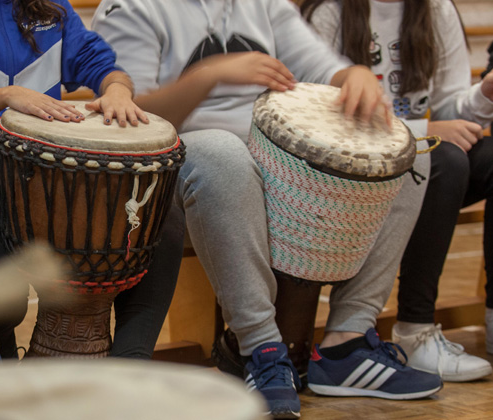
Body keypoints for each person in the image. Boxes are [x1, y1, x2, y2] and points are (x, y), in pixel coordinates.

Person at [92, 0, 441, 417]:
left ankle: (346, 342)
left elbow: (323, 67)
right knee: (222, 151)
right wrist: (212, 75)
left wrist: (357, 75)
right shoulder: (132, 7)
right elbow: (137, 120)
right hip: (181, 163)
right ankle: (260, 349)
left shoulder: (263, 3)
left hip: (273, 156)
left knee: (407, 152)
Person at [0, 0, 185, 360]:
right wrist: (0, 98)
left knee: (158, 223)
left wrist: (117, 91)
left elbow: (102, 65)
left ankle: (129, 370)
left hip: (42, 197)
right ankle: (9, 388)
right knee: (4, 298)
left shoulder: (47, 6)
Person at [301, 0, 493, 383]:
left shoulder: (436, 9)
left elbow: (450, 107)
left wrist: (484, 94)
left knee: (462, 157)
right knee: (445, 160)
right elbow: (316, 116)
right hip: (345, 167)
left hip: (419, 154)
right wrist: (424, 132)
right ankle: (415, 330)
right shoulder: (328, 12)